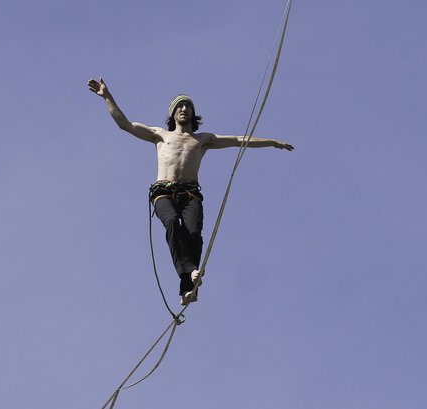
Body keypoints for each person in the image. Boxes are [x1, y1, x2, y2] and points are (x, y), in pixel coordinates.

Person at [88, 77, 293, 305]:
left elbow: (237, 139)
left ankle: (188, 290)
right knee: (173, 224)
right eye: (180, 106)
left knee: (193, 233)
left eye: (188, 106)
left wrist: (271, 142)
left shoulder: (203, 139)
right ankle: (190, 272)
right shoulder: (159, 135)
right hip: (163, 192)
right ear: (173, 113)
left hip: (191, 193)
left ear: (193, 114)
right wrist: (106, 95)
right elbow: (124, 124)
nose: (184, 109)